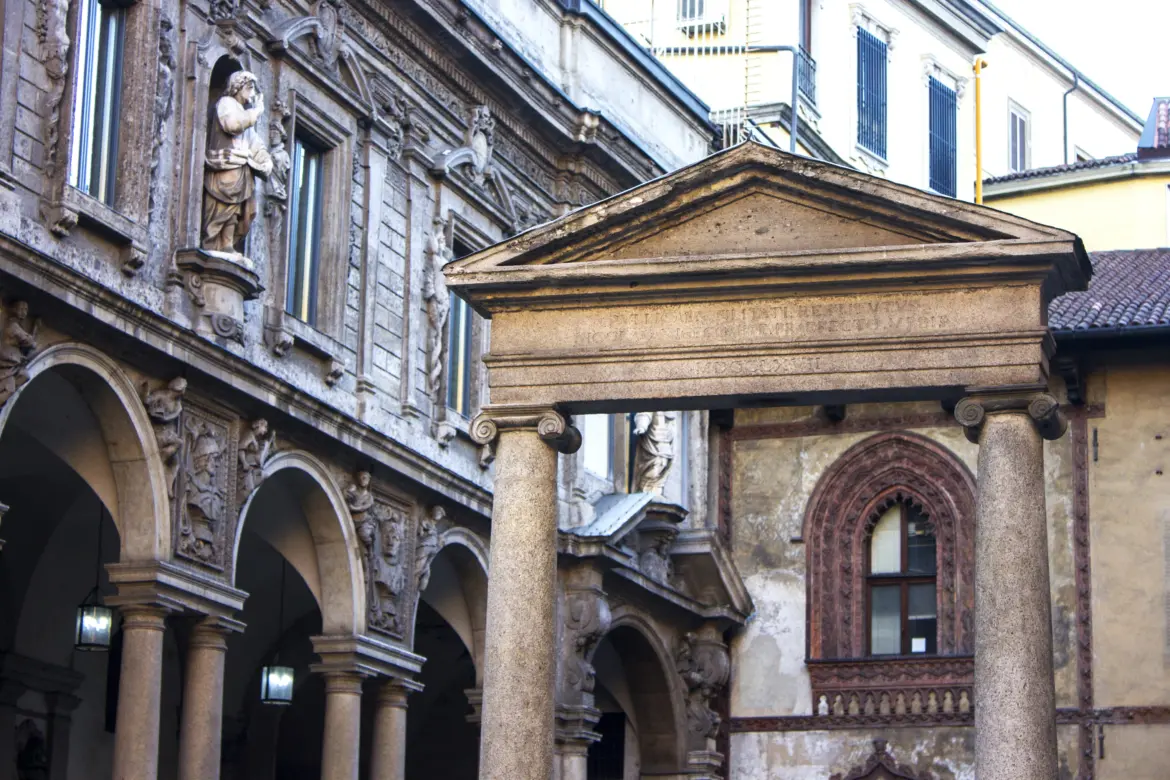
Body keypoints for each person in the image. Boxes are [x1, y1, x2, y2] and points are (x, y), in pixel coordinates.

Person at [203, 70, 273, 254]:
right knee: (222, 208)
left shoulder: (245, 115)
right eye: (249, 88)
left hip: (241, 172)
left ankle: (227, 244)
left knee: (237, 211)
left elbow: (254, 142)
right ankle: (214, 242)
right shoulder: (226, 104)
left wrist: (265, 160)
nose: (251, 93)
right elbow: (232, 125)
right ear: (238, 87)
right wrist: (256, 112)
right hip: (225, 166)